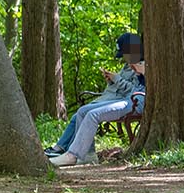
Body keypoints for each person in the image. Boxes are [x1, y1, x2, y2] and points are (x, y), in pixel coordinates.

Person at [49, 32, 145, 168]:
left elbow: (134, 90)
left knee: (93, 114)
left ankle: (72, 155)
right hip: (125, 100)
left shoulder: (143, 64)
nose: (124, 57)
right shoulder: (128, 66)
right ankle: (88, 155)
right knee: (82, 111)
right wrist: (112, 80)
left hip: (134, 102)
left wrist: (140, 72)